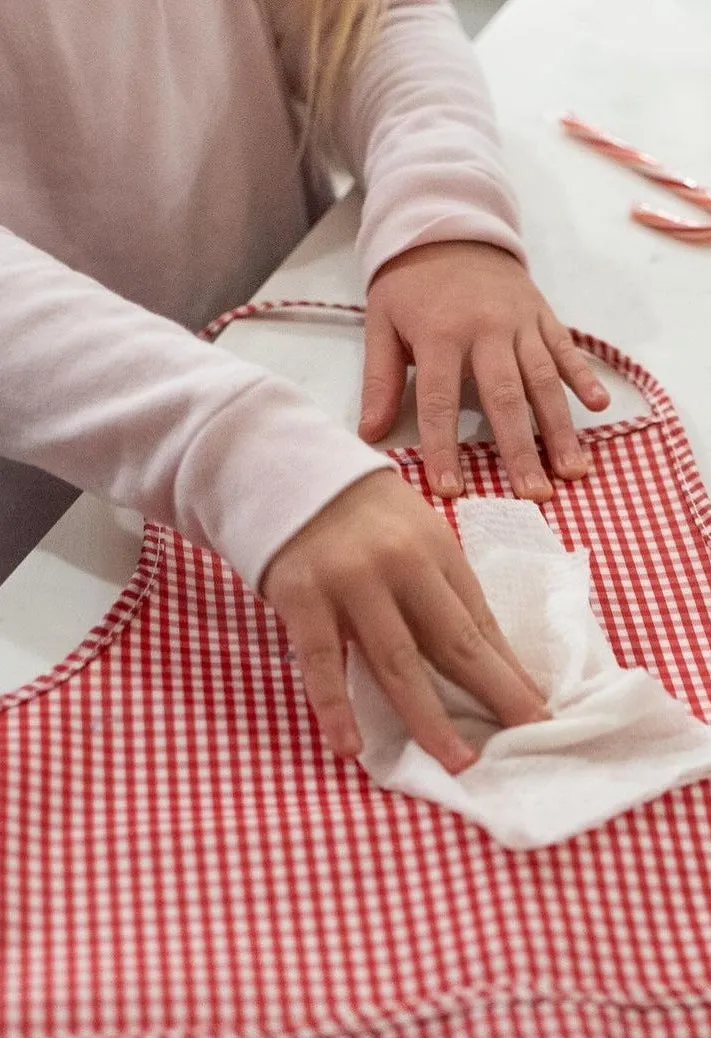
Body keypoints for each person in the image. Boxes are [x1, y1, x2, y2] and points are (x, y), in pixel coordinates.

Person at [0, 0, 611, 773]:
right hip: (39, 546)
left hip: (292, 361)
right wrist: (226, 447)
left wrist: (442, 212)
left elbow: (363, 19)